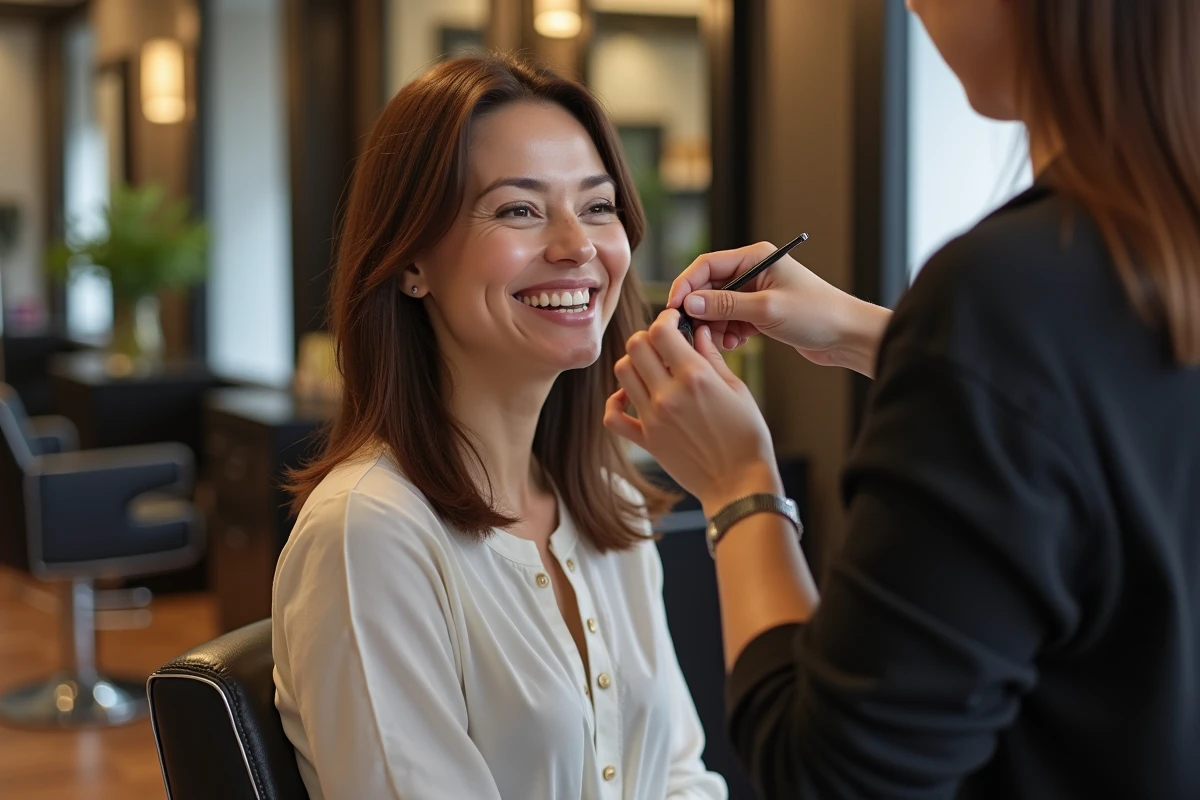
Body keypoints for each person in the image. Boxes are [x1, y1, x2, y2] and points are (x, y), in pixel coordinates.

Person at [604, 0, 1200, 797]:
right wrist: (882, 337)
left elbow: (830, 775)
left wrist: (740, 483)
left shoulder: (1008, 301)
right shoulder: (1146, 262)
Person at [272, 53, 727, 800]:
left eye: (598, 206)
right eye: (519, 209)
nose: (576, 245)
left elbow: (681, 775)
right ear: (411, 258)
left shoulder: (606, 499)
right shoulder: (370, 532)